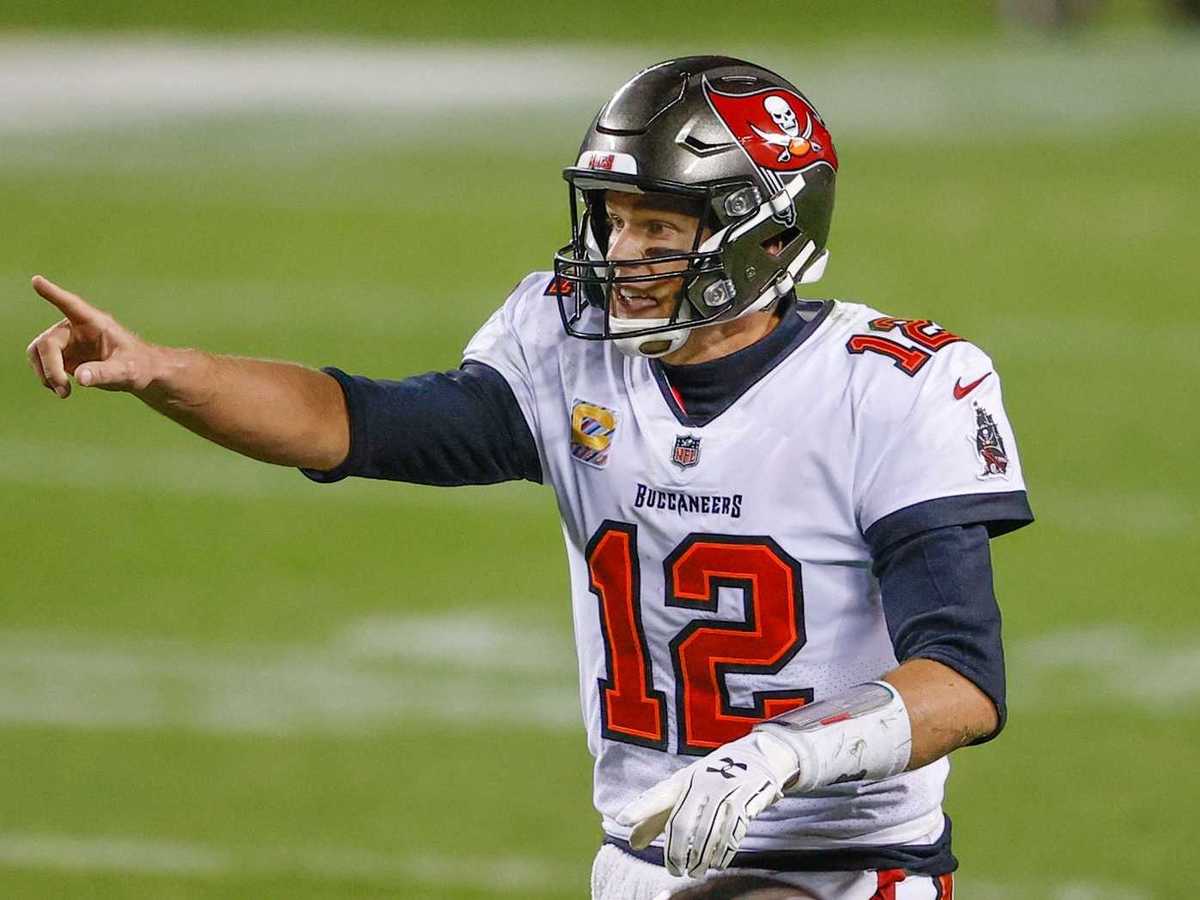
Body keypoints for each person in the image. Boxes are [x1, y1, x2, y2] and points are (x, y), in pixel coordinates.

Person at [25, 56, 1028, 899]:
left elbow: (962, 681)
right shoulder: (570, 343)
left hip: (846, 869)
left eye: (660, 229)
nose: (622, 253)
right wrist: (168, 371)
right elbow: (353, 423)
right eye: (616, 221)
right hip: (640, 859)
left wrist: (785, 751)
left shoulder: (896, 387)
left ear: (763, 237)